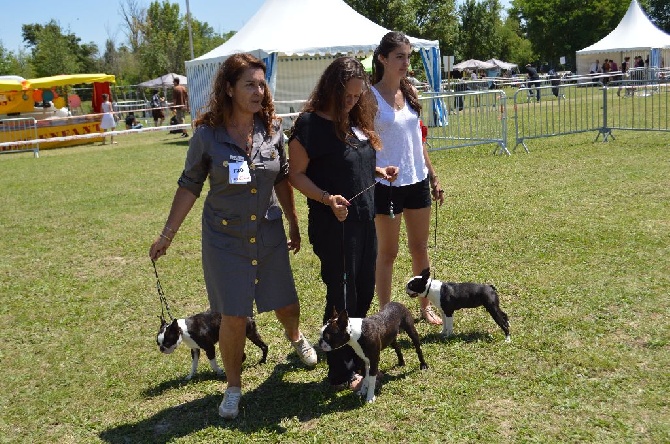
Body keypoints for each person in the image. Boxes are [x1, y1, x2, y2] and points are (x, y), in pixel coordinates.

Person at [149, 53, 317, 420]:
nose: (259, 91)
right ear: (228, 89)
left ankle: (295, 337)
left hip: (268, 229)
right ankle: (234, 387)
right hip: (224, 238)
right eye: (249, 85)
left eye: (261, 84)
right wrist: (167, 234)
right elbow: (189, 185)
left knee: (286, 302)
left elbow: (282, 178)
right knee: (233, 315)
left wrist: (291, 219)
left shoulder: (273, 128)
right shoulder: (207, 136)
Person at [288, 56, 398, 392]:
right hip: (333, 225)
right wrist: (326, 198)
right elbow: (295, 174)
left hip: (364, 219)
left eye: (356, 97)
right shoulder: (309, 125)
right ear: (331, 90)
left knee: (364, 288)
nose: (351, 102)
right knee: (342, 294)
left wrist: (377, 171)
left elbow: (352, 163)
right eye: (346, 97)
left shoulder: (354, 122)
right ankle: (339, 371)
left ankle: (353, 352)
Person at [370, 31, 445, 325]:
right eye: (399, 56)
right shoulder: (369, 97)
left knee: (420, 247)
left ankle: (426, 306)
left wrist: (433, 176)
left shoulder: (410, 91)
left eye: (408, 56)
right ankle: (386, 315)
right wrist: (375, 170)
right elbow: (363, 143)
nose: (405, 63)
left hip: (416, 180)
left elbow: (418, 140)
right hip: (385, 185)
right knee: (388, 252)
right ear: (382, 59)